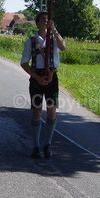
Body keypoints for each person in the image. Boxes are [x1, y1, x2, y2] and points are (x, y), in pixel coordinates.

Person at [20, 12, 66, 159]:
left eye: (49, 20)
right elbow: (24, 63)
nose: (47, 22)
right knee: (37, 111)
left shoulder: (54, 38)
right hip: (36, 78)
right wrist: (37, 78)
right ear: (38, 23)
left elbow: (63, 47)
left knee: (52, 111)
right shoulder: (31, 41)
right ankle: (36, 145)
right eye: (44, 20)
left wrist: (55, 30)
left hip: (52, 76)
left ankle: (48, 144)